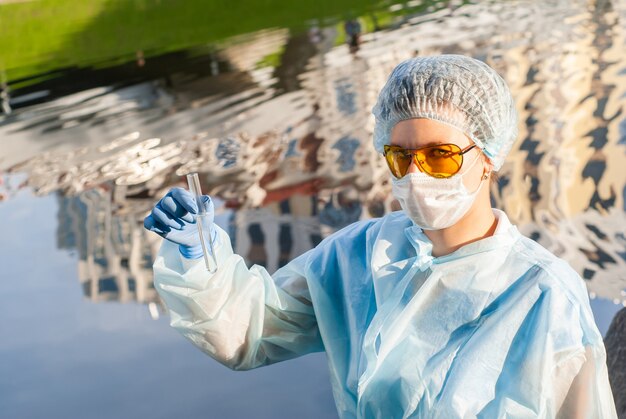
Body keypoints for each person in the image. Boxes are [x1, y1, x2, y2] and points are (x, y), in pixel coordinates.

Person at [144, 55, 618, 418]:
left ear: (489, 156)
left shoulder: (542, 294)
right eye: (399, 156)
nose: (416, 174)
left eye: (439, 155)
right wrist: (201, 259)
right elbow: (251, 333)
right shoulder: (359, 255)